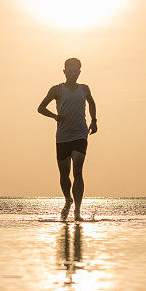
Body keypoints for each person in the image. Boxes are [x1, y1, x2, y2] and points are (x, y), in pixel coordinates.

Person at [37, 58, 98, 221]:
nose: (73, 73)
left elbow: (92, 103)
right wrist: (55, 116)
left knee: (78, 171)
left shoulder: (84, 89)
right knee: (64, 174)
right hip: (63, 137)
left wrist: (94, 121)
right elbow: (40, 108)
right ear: (64, 72)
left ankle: (77, 212)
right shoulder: (57, 89)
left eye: (76, 70)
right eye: (69, 70)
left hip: (80, 134)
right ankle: (67, 200)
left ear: (79, 72)